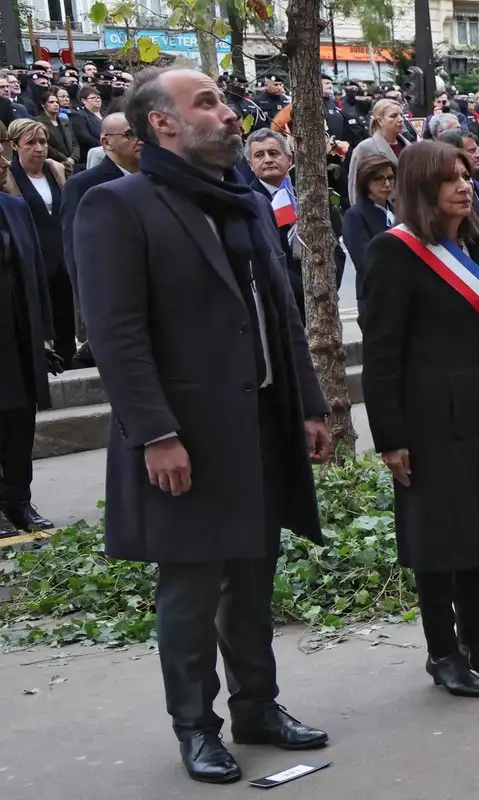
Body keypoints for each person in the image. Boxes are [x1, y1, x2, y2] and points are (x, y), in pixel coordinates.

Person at [74, 66, 332, 784]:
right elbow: (117, 334)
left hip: (258, 422)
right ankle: (196, 725)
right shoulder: (117, 207)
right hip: (183, 434)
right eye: (208, 103)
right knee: (191, 588)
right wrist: (156, 432)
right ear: (163, 123)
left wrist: (308, 403)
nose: (228, 113)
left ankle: (258, 706)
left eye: (223, 100)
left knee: (253, 574)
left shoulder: (242, 199)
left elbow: (281, 314)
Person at [360, 141, 479, 698]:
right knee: (442, 542)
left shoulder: (478, 245)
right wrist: (391, 439)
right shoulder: (393, 252)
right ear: (423, 187)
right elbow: (381, 355)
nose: (465, 186)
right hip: (434, 424)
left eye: (467, 175)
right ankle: (442, 652)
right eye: (450, 179)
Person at [0, 162, 57, 536]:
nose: (4, 163)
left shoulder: (14, 208)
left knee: (21, 423)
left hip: (17, 335)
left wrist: (45, 334)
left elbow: (35, 273)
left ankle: (19, 501)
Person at [60, 110, 142, 360]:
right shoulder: (83, 185)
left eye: (141, 132)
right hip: (114, 299)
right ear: (106, 142)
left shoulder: (158, 178)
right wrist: (85, 306)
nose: (139, 139)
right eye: (130, 134)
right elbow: (75, 250)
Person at [245, 129, 345, 317]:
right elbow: (264, 260)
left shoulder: (309, 197)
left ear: (289, 159)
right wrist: (305, 292)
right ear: (250, 165)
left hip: (323, 305)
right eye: (259, 155)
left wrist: (327, 286)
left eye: (274, 153)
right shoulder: (249, 206)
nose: (267, 159)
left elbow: (335, 248)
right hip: (283, 307)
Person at [3, 119, 75, 369]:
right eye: (30, 143)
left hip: (62, 255)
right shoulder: (9, 175)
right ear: (14, 145)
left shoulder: (55, 170)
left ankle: (68, 358)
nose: (39, 148)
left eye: (43, 142)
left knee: (66, 314)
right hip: (33, 255)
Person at [341, 152, 395, 319]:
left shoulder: (397, 210)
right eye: (379, 179)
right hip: (375, 297)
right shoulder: (355, 215)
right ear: (366, 182)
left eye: (391, 177)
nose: (387, 184)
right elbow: (365, 262)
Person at [346, 98, 405, 206]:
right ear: (380, 121)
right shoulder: (365, 148)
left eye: (401, 115)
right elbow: (354, 186)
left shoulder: (409, 147)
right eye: (393, 116)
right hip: (377, 211)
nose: (400, 119)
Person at [35, 91, 79, 173]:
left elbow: (74, 143)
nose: (55, 104)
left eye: (57, 102)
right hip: (53, 164)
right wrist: (65, 159)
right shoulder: (38, 122)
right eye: (51, 102)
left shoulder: (65, 121)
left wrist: (73, 158)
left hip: (72, 163)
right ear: (43, 105)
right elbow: (46, 145)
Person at [71, 85, 104, 153]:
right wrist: (105, 146)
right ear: (84, 100)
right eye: (93, 98)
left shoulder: (105, 114)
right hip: (93, 152)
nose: (97, 99)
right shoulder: (79, 115)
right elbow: (85, 137)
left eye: (98, 97)